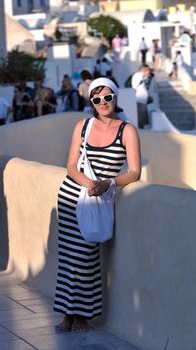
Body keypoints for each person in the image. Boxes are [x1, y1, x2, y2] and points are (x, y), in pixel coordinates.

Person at [53, 77, 141, 332]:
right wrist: (89, 183)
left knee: (86, 257)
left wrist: (107, 183)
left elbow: (134, 172)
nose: (103, 103)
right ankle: (67, 315)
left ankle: (82, 315)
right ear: (91, 102)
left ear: (115, 97)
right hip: (71, 196)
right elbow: (70, 165)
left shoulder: (128, 130)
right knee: (69, 257)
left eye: (108, 97)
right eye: (97, 99)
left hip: (98, 198)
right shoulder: (83, 126)